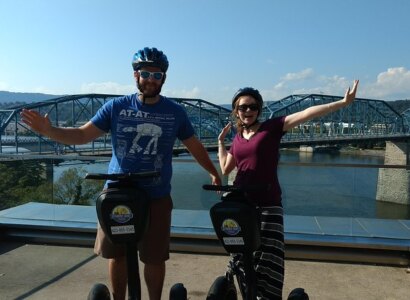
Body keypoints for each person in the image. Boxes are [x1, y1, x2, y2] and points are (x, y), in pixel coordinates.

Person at [20, 47, 221, 300]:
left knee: (154, 257)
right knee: (117, 255)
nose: (151, 79)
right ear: (135, 75)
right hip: (117, 193)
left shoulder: (175, 112)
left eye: (157, 75)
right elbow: (82, 135)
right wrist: (50, 131)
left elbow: (194, 146)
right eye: (145, 73)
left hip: (156, 194)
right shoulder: (115, 107)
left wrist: (213, 172)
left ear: (164, 79)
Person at [217, 80, 359, 299]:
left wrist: (342, 102)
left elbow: (307, 113)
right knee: (242, 257)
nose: (248, 111)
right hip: (242, 204)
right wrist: (220, 145)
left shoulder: (271, 128)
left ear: (259, 109)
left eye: (253, 106)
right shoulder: (237, 139)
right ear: (236, 111)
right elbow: (226, 168)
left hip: (268, 203)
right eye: (243, 107)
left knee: (269, 258)